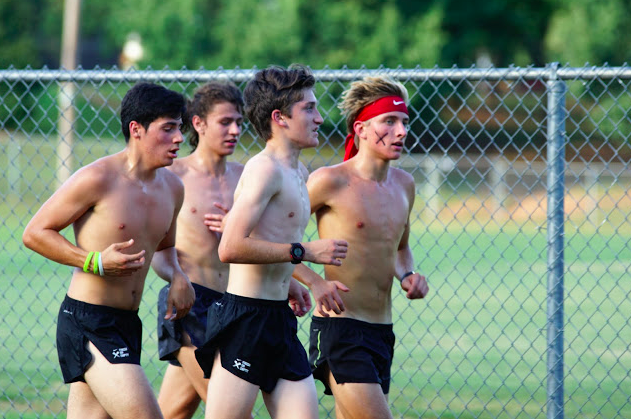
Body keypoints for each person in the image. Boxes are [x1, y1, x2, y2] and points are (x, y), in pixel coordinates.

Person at [22, 82, 196, 419]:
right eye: (169, 128)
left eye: (180, 127)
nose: (179, 138)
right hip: (87, 321)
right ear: (137, 130)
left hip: (127, 323)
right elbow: (35, 233)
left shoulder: (173, 188)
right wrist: (94, 260)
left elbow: (165, 248)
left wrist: (177, 275)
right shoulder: (97, 178)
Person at [194, 64, 349, 419]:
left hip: (279, 319)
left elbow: (272, 239)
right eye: (308, 109)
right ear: (280, 118)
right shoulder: (263, 169)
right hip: (246, 320)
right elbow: (230, 247)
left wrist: (304, 280)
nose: (320, 118)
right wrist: (305, 252)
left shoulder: (299, 172)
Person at [152, 81, 313, 419]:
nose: (235, 130)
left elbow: (266, 243)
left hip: (239, 303)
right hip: (192, 304)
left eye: (239, 121)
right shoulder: (173, 176)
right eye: (225, 122)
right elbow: (155, 246)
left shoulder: (249, 173)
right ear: (198, 123)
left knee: (174, 410)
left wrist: (294, 280)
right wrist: (175, 277)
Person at [292, 76, 430, 419]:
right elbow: (275, 239)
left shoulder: (405, 185)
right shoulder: (329, 180)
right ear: (362, 129)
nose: (401, 132)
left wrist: (409, 274)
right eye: (389, 121)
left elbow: (400, 248)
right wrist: (313, 281)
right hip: (341, 329)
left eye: (404, 122)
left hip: (382, 332)